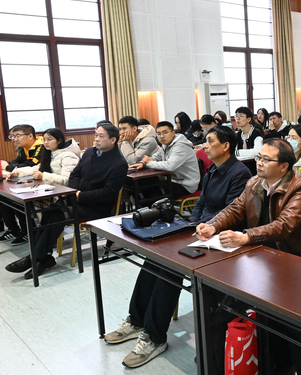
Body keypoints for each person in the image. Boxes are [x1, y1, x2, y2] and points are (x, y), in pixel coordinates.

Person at [103, 126, 251, 369]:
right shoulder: (212, 170)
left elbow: (232, 213)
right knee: (155, 258)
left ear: (226, 146)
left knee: (170, 268)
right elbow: (200, 204)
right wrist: (192, 224)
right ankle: (137, 320)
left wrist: (205, 227)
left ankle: (154, 337)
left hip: (220, 239)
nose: (204, 146)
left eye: (210, 141)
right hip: (201, 232)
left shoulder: (239, 174)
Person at [195, 138, 301, 375]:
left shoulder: (300, 188)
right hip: (262, 258)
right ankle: (222, 352)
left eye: (266, 159)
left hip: (296, 262)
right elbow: (235, 208)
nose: (259, 163)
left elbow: (284, 225)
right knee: (216, 292)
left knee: (283, 310)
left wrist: (246, 236)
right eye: (259, 157)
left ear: (284, 166)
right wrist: (213, 225)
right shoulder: (254, 182)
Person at [5, 124, 127, 279]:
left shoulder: (119, 163)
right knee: (49, 210)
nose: (96, 139)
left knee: (57, 215)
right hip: (75, 199)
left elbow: (107, 193)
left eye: (101, 136)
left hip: (95, 207)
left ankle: (34, 258)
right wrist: (73, 192)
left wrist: (79, 196)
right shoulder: (90, 152)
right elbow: (75, 174)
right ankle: (42, 257)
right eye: (96, 135)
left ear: (113, 140)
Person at [0, 124, 45, 244]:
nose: (14, 139)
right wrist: (6, 163)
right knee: (0, 197)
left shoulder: (41, 146)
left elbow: (31, 165)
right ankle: (13, 230)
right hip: (26, 179)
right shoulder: (24, 147)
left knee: (16, 199)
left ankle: (27, 231)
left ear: (30, 136)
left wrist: (7, 166)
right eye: (12, 136)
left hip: (40, 181)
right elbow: (18, 161)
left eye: (17, 135)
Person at [129, 121, 201, 199]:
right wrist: (142, 163)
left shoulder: (180, 146)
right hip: (172, 180)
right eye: (159, 133)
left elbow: (170, 166)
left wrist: (148, 163)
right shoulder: (166, 145)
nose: (162, 136)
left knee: (153, 195)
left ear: (173, 133)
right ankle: (148, 206)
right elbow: (155, 157)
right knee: (141, 185)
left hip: (186, 185)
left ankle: (155, 207)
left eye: (165, 133)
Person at [6, 128, 81, 187]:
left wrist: (43, 176)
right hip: (52, 189)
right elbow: (36, 168)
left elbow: (68, 180)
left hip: (63, 194)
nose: (45, 142)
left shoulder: (69, 156)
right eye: (44, 139)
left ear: (59, 141)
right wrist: (17, 173)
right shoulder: (51, 153)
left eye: (49, 139)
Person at [234, 107, 264, 173]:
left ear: (249, 119)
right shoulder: (238, 134)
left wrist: (238, 153)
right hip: (241, 167)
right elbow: (234, 151)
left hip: (255, 167)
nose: (237, 118)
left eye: (241, 116)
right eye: (236, 116)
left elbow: (258, 152)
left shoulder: (256, 133)